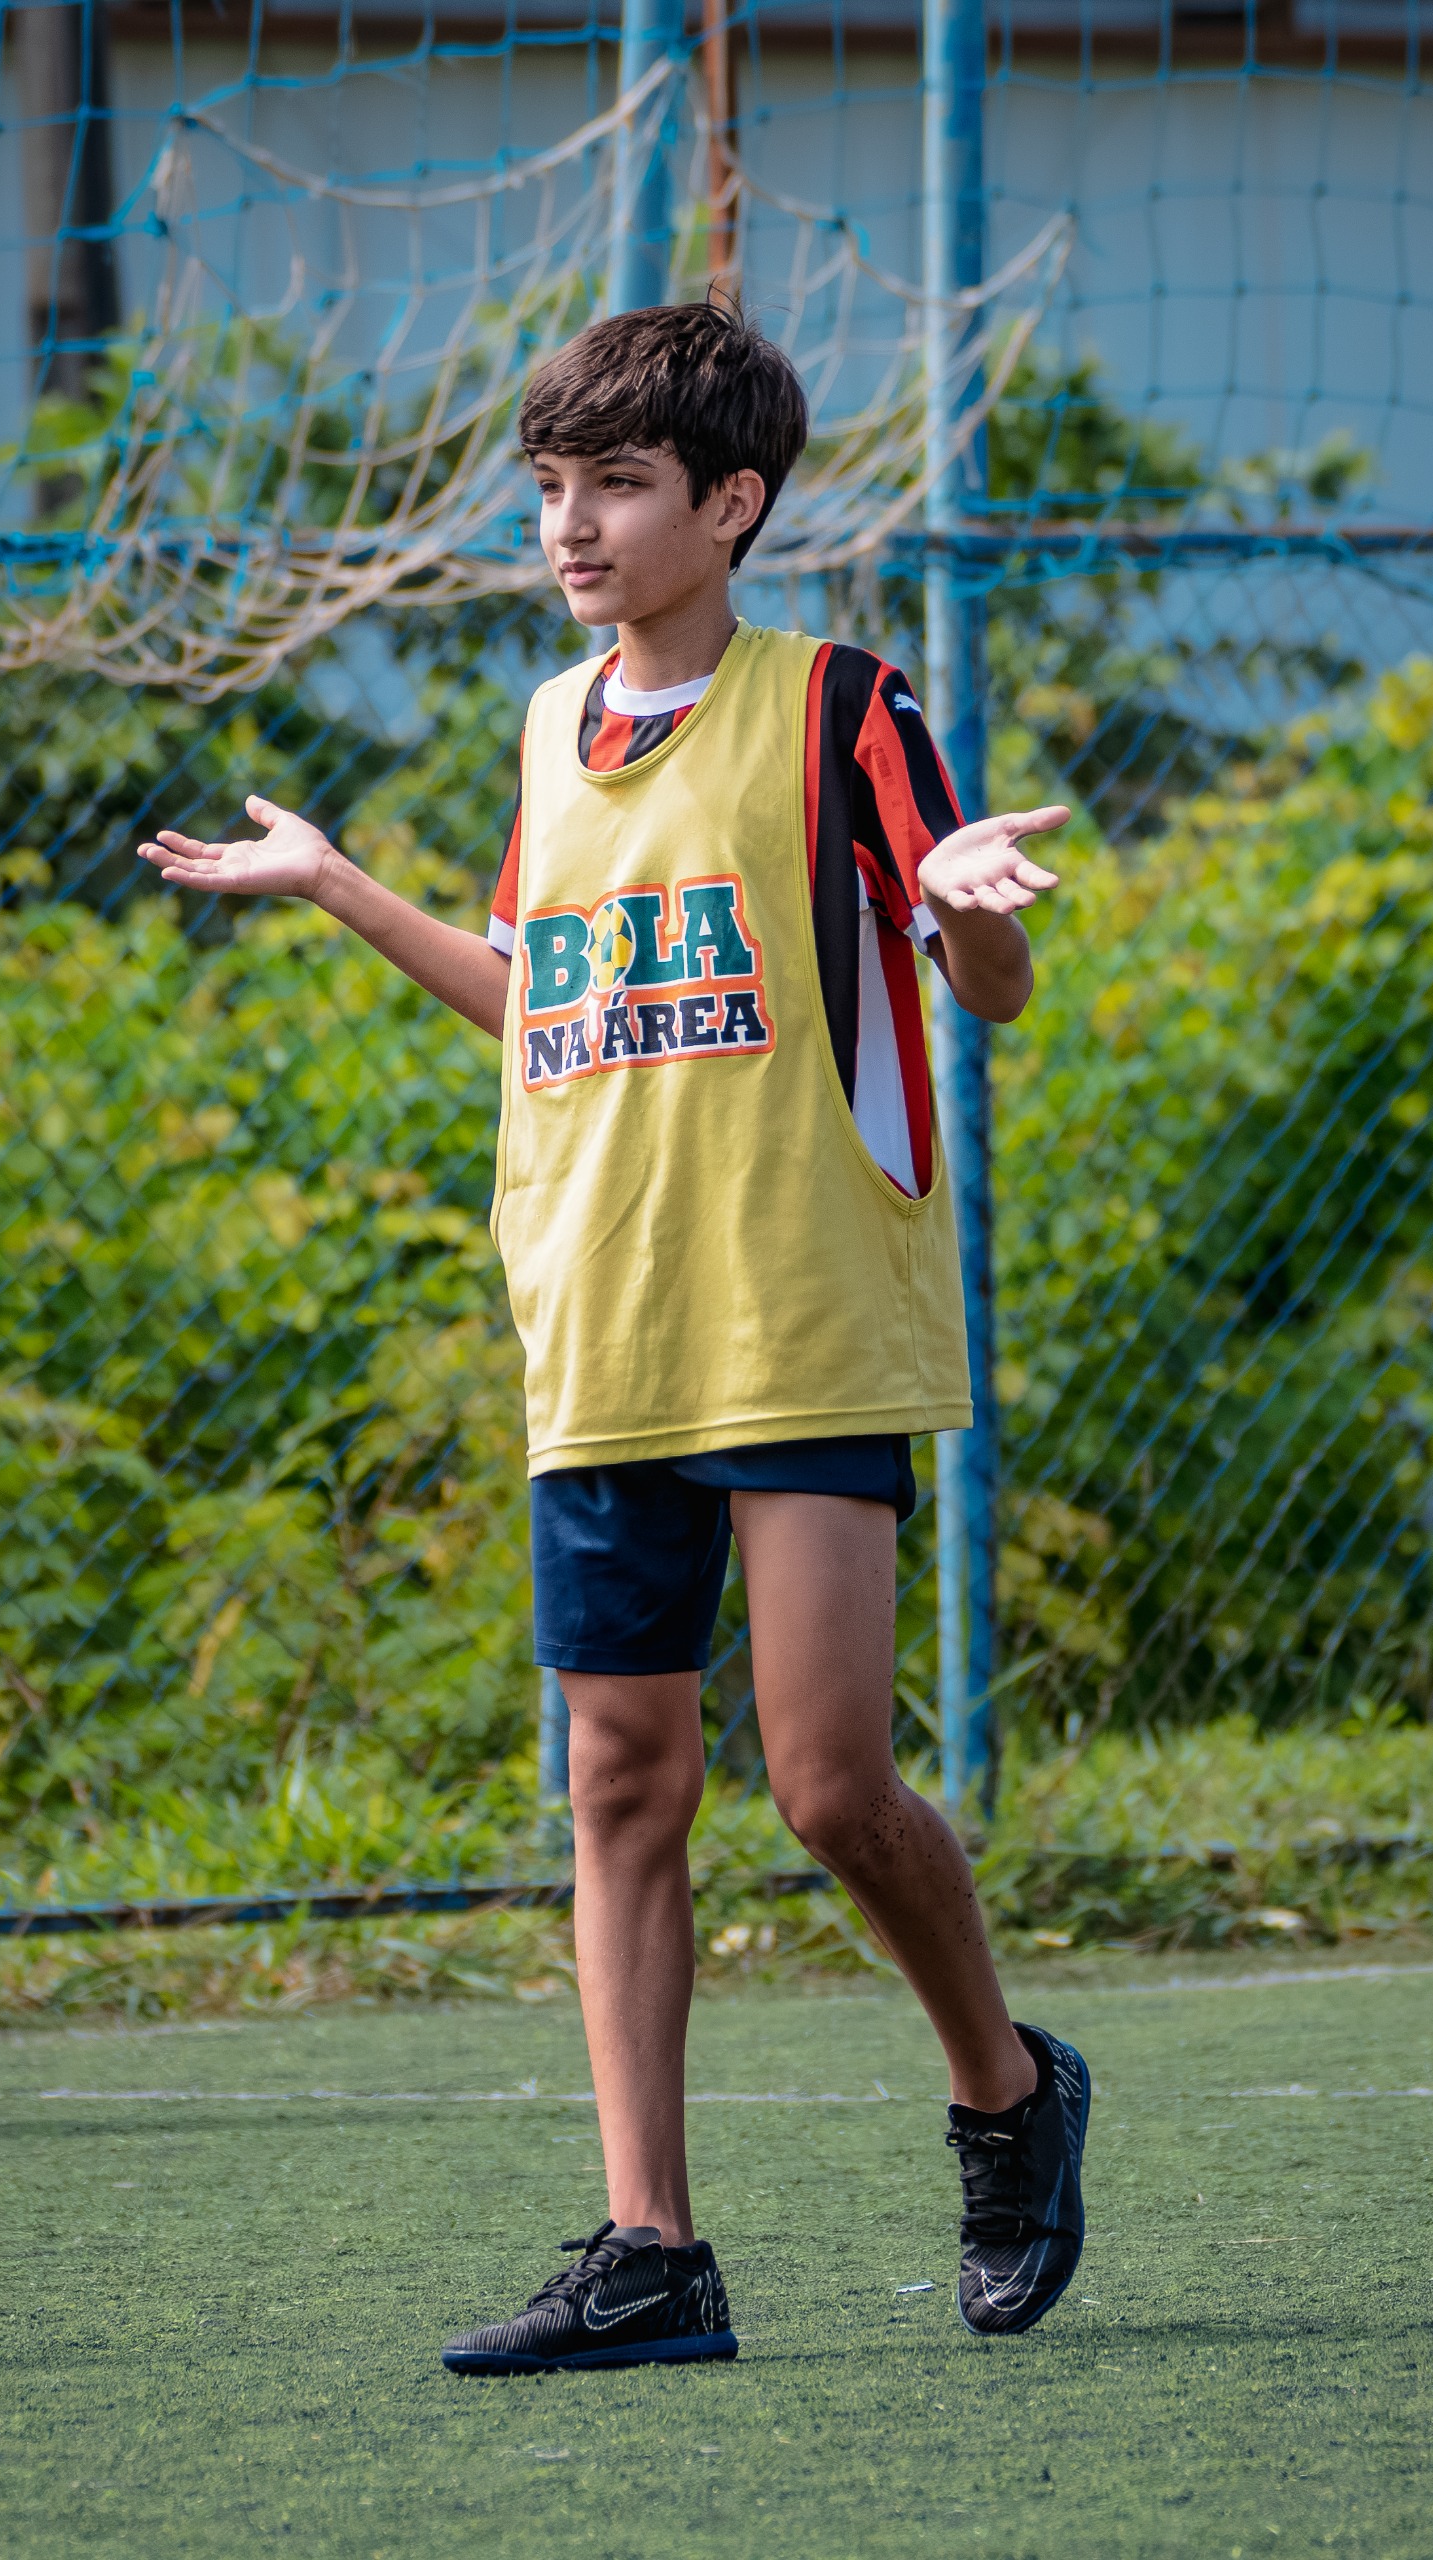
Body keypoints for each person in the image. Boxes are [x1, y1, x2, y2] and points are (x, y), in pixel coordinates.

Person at [138, 300, 1089, 2377]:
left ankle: (1007, 2090)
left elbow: (981, 977)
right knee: (621, 1784)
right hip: (599, 1324)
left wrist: (970, 901)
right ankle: (651, 2248)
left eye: (618, 486)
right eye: (552, 487)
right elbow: (537, 1003)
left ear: (729, 504)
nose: (572, 525)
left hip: (800, 1316)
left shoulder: (838, 702)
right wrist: (336, 885)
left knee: (828, 1784)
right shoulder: (546, 727)